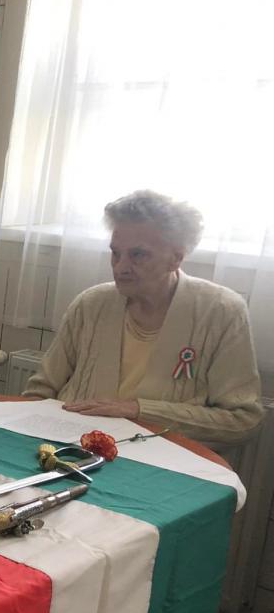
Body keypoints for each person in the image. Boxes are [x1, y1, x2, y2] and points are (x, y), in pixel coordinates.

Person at [24, 189, 263, 444]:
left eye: (138, 254)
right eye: (116, 253)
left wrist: (139, 410)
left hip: (161, 458)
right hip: (69, 448)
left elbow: (241, 420)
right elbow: (39, 391)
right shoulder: (90, 304)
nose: (120, 267)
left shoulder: (222, 312)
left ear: (176, 258)